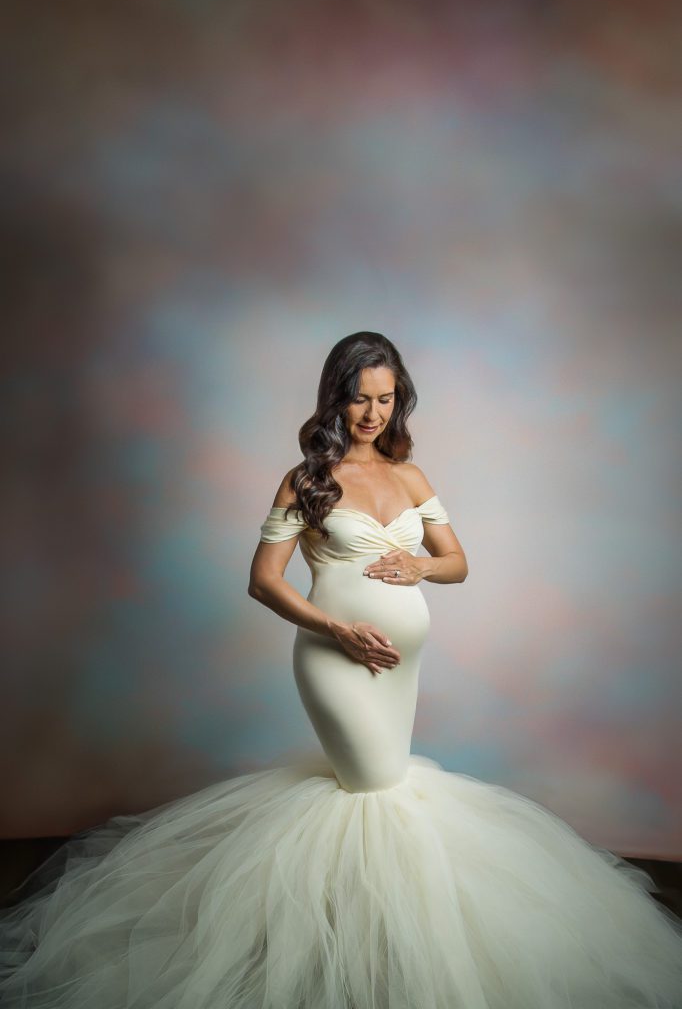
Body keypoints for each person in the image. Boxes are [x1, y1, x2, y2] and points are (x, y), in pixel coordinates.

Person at [0, 332, 680, 1008]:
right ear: (336, 399)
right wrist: (338, 630)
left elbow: (457, 563)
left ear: (399, 400)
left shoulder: (411, 475)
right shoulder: (308, 481)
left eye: (385, 399)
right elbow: (264, 581)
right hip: (333, 656)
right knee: (377, 790)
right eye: (360, 399)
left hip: (402, 664)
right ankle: (363, 957)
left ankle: (374, 940)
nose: (373, 414)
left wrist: (420, 564)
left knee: (380, 798)